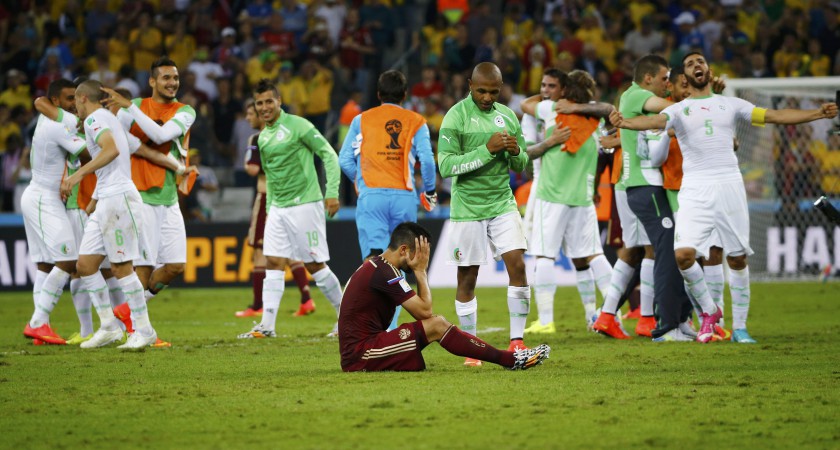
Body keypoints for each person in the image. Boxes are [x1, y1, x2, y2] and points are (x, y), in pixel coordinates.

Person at [610, 51, 838, 343]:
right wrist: (625, 123)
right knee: (683, 255)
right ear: (685, 78)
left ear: (708, 70)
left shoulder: (730, 105)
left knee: (738, 258)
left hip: (729, 184)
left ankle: (740, 327)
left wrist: (818, 113)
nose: (697, 66)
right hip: (694, 189)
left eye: (701, 62)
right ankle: (709, 311)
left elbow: (774, 116)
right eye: (691, 64)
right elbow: (655, 122)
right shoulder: (679, 110)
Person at [338, 222, 550, 372]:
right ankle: (510, 360)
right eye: (420, 253)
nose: (423, 258)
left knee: (435, 324)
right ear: (404, 250)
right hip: (361, 354)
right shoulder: (384, 272)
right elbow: (425, 312)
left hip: (363, 348)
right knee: (436, 324)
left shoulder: (378, 266)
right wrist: (421, 271)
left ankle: (508, 358)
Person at [437, 62, 531, 366]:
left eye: (493, 91)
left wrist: (516, 153)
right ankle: (471, 348)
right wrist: (487, 151)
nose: (487, 97)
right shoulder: (455, 117)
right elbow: (446, 166)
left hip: (502, 203)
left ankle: (517, 341)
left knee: (517, 266)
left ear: (500, 88)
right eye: (481, 91)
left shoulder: (508, 117)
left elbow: (522, 163)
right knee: (468, 277)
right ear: (469, 84)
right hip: (467, 209)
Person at [237, 78, 344, 339]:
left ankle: (346, 319)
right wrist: (271, 208)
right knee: (273, 261)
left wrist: (331, 192)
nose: (264, 108)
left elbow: (328, 154)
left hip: (305, 204)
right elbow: (271, 177)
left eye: (268, 102)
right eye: (259, 103)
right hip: (278, 209)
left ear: (279, 101)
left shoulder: (299, 126)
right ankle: (267, 326)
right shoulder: (263, 137)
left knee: (314, 265)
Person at [102, 57, 196, 345]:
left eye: (175, 78)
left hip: (169, 198)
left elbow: (161, 134)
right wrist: (130, 113)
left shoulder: (185, 110)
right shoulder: (135, 109)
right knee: (142, 268)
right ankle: (138, 331)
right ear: (152, 81)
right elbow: (121, 143)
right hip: (140, 196)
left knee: (176, 266)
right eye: (165, 78)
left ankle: (125, 312)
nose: (172, 83)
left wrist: (129, 107)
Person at [338, 70, 438, 330]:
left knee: (373, 262)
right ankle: (391, 327)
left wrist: (360, 182)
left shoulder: (362, 120)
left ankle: (370, 324)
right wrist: (428, 190)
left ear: (378, 94)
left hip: (371, 197)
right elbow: (427, 161)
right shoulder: (416, 121)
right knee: (402, 260)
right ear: (404, 96)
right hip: (404, 197)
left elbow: (344, 160)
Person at [60, 79, 155, 349]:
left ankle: (144, 330)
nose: (74, 109)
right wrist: (95, 199)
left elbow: (111, 151)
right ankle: (109, 327)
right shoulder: (106, 118)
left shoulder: (93, 120)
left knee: (121, 268)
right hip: (107, 199)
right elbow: (115, 163)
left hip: (119, 199)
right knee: (86, 266)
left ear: (81, 98)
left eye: (74, 102)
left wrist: (77, 175)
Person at [520, 70, 614, 333]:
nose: (548, 90)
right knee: (593, 254)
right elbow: (608, 108)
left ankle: (547, 320)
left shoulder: (552, 110)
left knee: (544, 254)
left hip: (551, 194)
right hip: (582, 197)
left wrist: (551, 100)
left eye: (553, 86)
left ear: (565, 90)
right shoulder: (594, 119)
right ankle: (609, 311)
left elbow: (524, 105)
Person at [591, 55, 671, 340]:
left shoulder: (628, 100)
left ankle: (606, 315)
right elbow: (670, 109)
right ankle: (647, 317)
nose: (668, 84)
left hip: (624, 183)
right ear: (648, 78)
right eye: (664, 78)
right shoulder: (639, 96)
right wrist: (700, 102)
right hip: (639, 181)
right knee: (651, 249)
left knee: (632, 249)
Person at [20, 79, 88, 345]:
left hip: (39, 195)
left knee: (46, 265)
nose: (75, 104)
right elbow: (88, 154)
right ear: (56, 102)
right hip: (42, 199)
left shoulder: (53, 119)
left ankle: (41, 328)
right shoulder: (61, 125)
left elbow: (39, 102)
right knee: (69, 260)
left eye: (77, 98)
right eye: (70, 98)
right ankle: (38, 322)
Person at [235, 101, 314, 318]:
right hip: (289, 198)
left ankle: (258, 304)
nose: (248, 118)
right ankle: (306, 298)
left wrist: (267, 166)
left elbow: (251, 168)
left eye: (251, 114)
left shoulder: (258, 139)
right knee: (289, 251)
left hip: (267, 198)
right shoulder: (287, 136)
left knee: (260, 252)